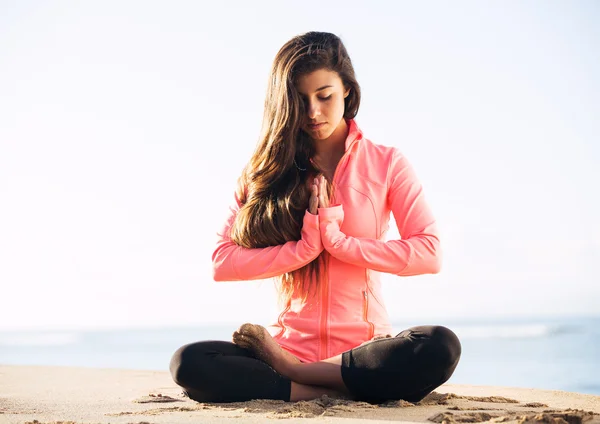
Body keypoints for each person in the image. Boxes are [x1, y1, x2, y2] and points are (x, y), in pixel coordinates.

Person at [169, 31, 461, 404]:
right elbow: (222, 262)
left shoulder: (387, 162)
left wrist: (339, 243)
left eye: (325, 96)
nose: (312, 112)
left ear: (348, 93)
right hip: (287, 345)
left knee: (439, 346)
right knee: (189, 362)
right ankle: (323, 385)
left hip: (363, 353)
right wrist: (306, 247)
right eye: (299, 100)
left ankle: (298, 379)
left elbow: (429, 252)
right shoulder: (267, 170)